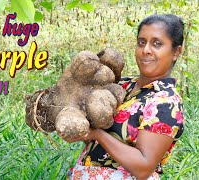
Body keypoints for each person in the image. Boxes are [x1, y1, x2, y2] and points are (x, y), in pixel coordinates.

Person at [66, 14, 185, 180]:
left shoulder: (166, 102)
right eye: (141, 42)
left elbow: (143, 167)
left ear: (176, 52)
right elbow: (99, 145)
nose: (146, 50)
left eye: (157, 44)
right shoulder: (123, 85)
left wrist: (98, 134)